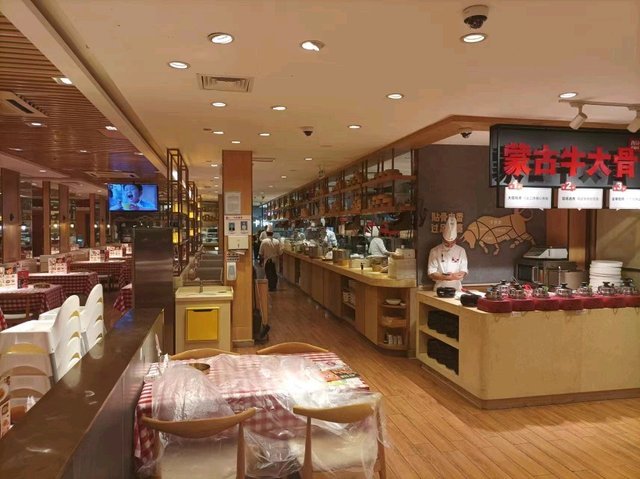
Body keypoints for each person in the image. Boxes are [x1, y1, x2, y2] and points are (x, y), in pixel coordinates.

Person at [427, 214, 468, 291]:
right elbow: (431, 273)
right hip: (439, 288)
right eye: (446, 243)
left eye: (452, 243)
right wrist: (445, 277)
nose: (449, 246)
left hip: (457, 288)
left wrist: (453, 276)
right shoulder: (434, 251)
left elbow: (463, 271)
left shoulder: (461, 251)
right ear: (442, 239)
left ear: (456, 240)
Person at [259, 225, 282, 291]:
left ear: (266, 233)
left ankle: (270, 287)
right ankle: (274, 287)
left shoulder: (264, 241)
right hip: (275, 260)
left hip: (267, 260)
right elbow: (280, 252)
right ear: (273, 233)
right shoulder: (277, 241)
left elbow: (260, 253)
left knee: (268, 274)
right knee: (274, 273)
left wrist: (261, 261)